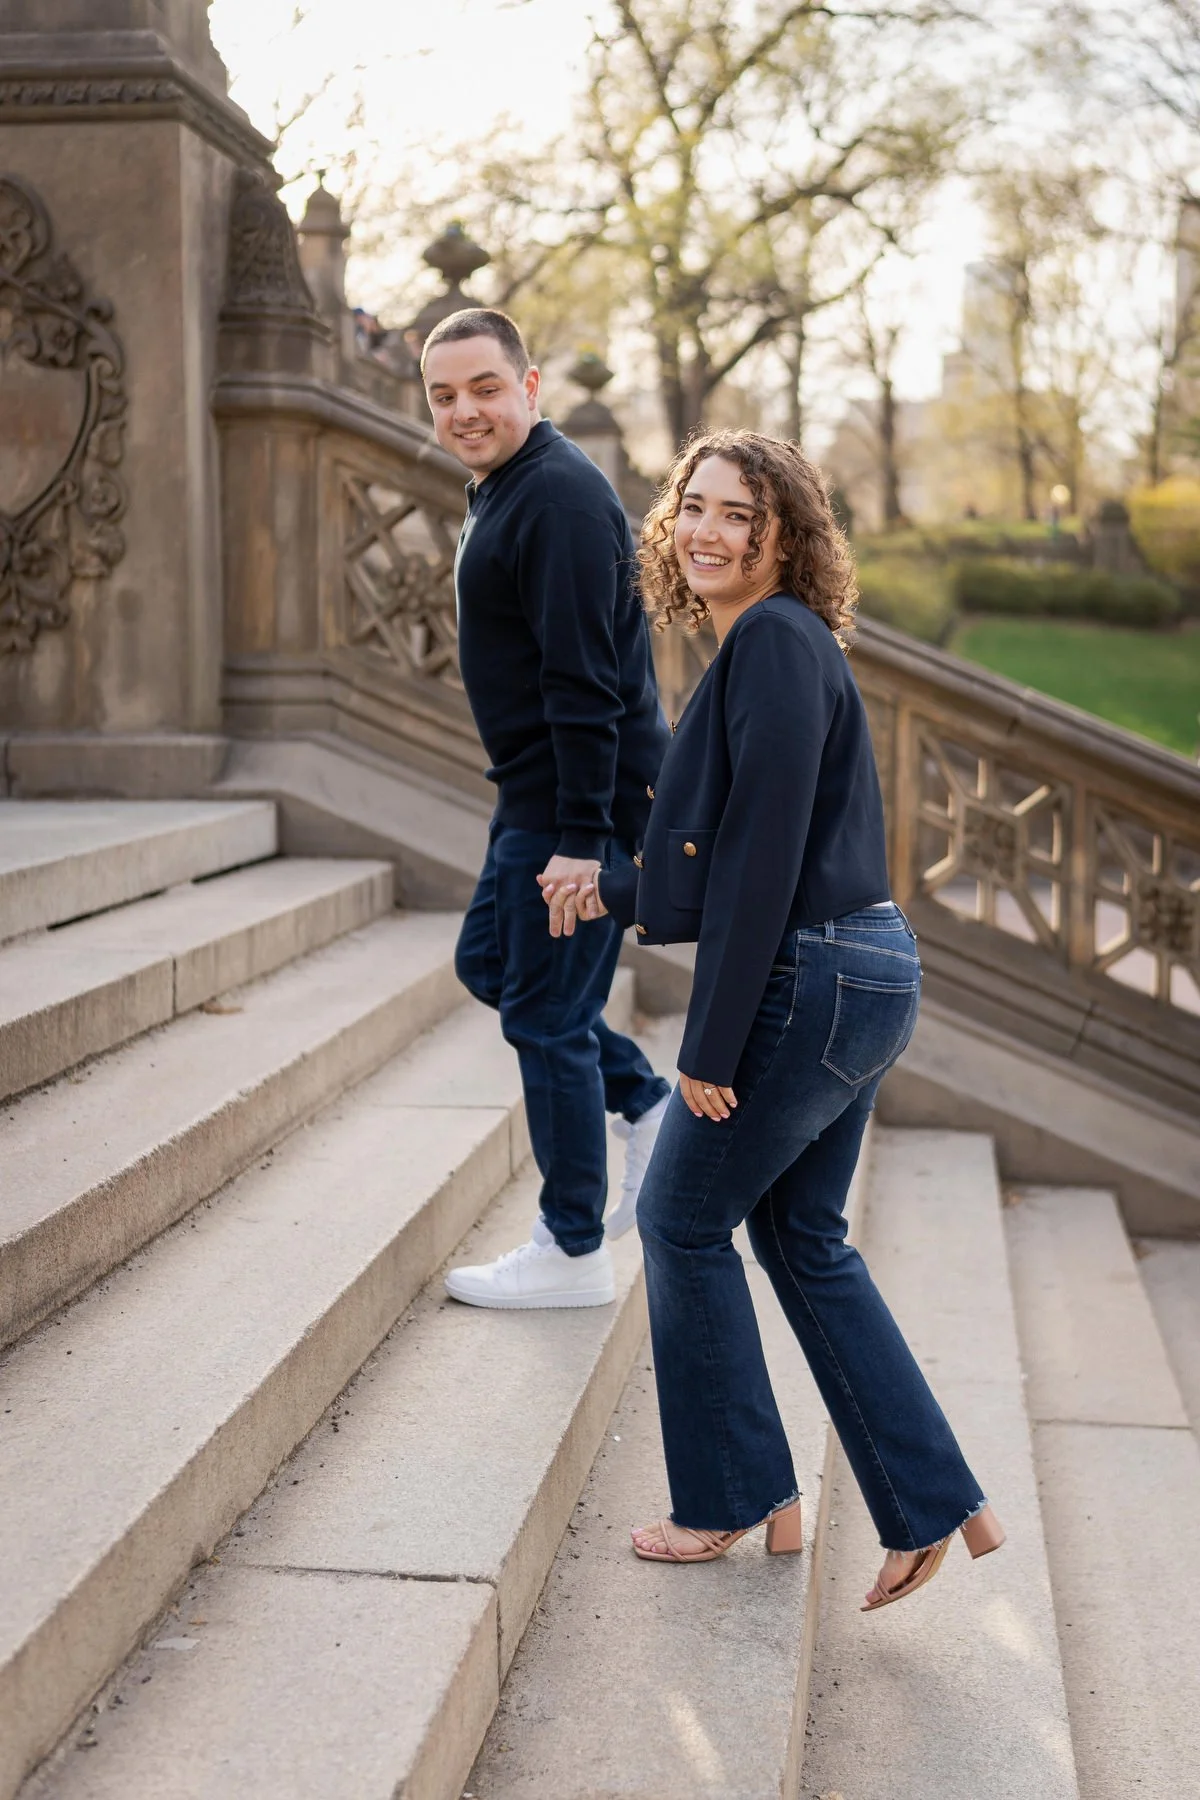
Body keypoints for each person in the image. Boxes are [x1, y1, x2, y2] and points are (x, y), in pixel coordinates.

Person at [550, 429, 1004, 1609]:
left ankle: (731, 1495)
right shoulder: (773, 646)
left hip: (815, 981)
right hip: (853, 971)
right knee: (802, 1236)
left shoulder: (774, 642)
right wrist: (611, 885)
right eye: (692, 507)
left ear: (784, 537)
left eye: (738, 514)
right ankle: (930, 1500)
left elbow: (761, 859)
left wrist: (709, 1045)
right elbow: (722, 857)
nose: (705, 530)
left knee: (679, 1220)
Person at [422, 307, 672, 1310]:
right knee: (493, 968)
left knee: (547, 1019)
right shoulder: (511, 486)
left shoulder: (558, 498)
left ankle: (573, 1251)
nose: (464, 410)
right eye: (444, 395)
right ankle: (643, 1101)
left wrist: (580, 840)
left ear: (529, 387)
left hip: (576, 810)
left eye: (485, 388)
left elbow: (584, 684)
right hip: (534, 795)